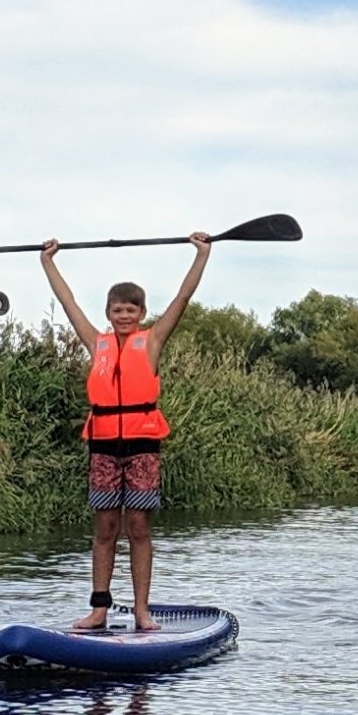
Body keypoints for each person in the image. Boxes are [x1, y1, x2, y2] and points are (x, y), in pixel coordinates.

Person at [40, 232, 213, 632]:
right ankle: (99, 608)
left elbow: (182, 300)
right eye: (118, 310)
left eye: (131, 310)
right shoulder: (95, 342)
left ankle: (141, 610)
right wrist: (49, 262)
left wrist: (201, 255)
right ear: (108, 313)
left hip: (142, 446)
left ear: (141, 313)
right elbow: (68, 304)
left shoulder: (151, 342)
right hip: (103, 446)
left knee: (138, 527)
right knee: (105, 529)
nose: (124, 316)